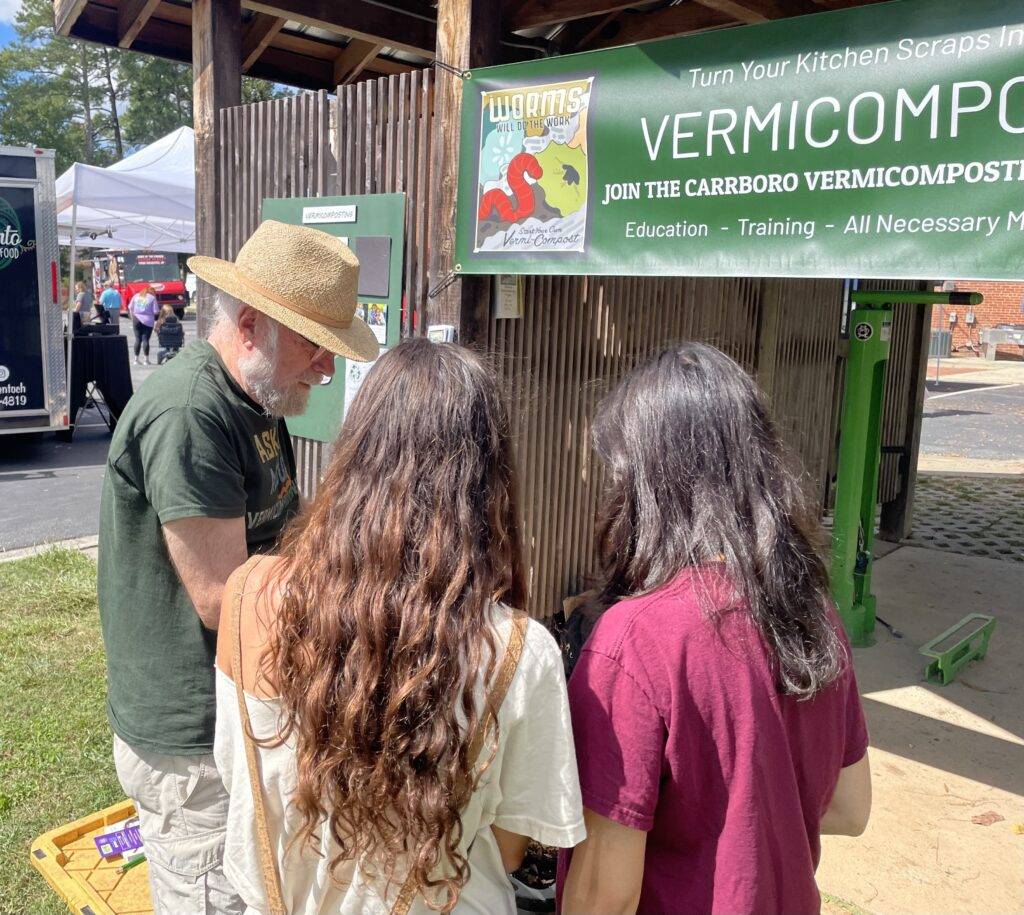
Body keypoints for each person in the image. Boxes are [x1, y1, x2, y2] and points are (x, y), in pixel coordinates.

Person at [214, 338, 585, 914]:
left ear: (354, 449)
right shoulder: (517, 648)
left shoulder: (248, 595)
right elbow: (511, 850)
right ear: (487, 478)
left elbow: (241, 779)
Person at [98, 220, 379, 913]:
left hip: (239, 703)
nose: (327, 367)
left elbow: (284, 538)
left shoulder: (254, 398)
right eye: (318, 345)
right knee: (212, 896)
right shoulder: (192, 413)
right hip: (194, 735)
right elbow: (225, 600)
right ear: (253, 325)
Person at [559, 343, 871, 915]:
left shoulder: (634, 640)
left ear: (645, 482)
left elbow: (605, 894)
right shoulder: (813, 612)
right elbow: (850, 807)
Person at [128, 284, 159, 365]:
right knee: (145, 339)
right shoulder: (152, 298)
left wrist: (132, 317)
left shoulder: (136, 296)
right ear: (152, 292)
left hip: (136, 319)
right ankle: (146, 360)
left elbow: (130, 307)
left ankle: (136, 360)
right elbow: (156, 311)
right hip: (148, 320)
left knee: (137, 339)